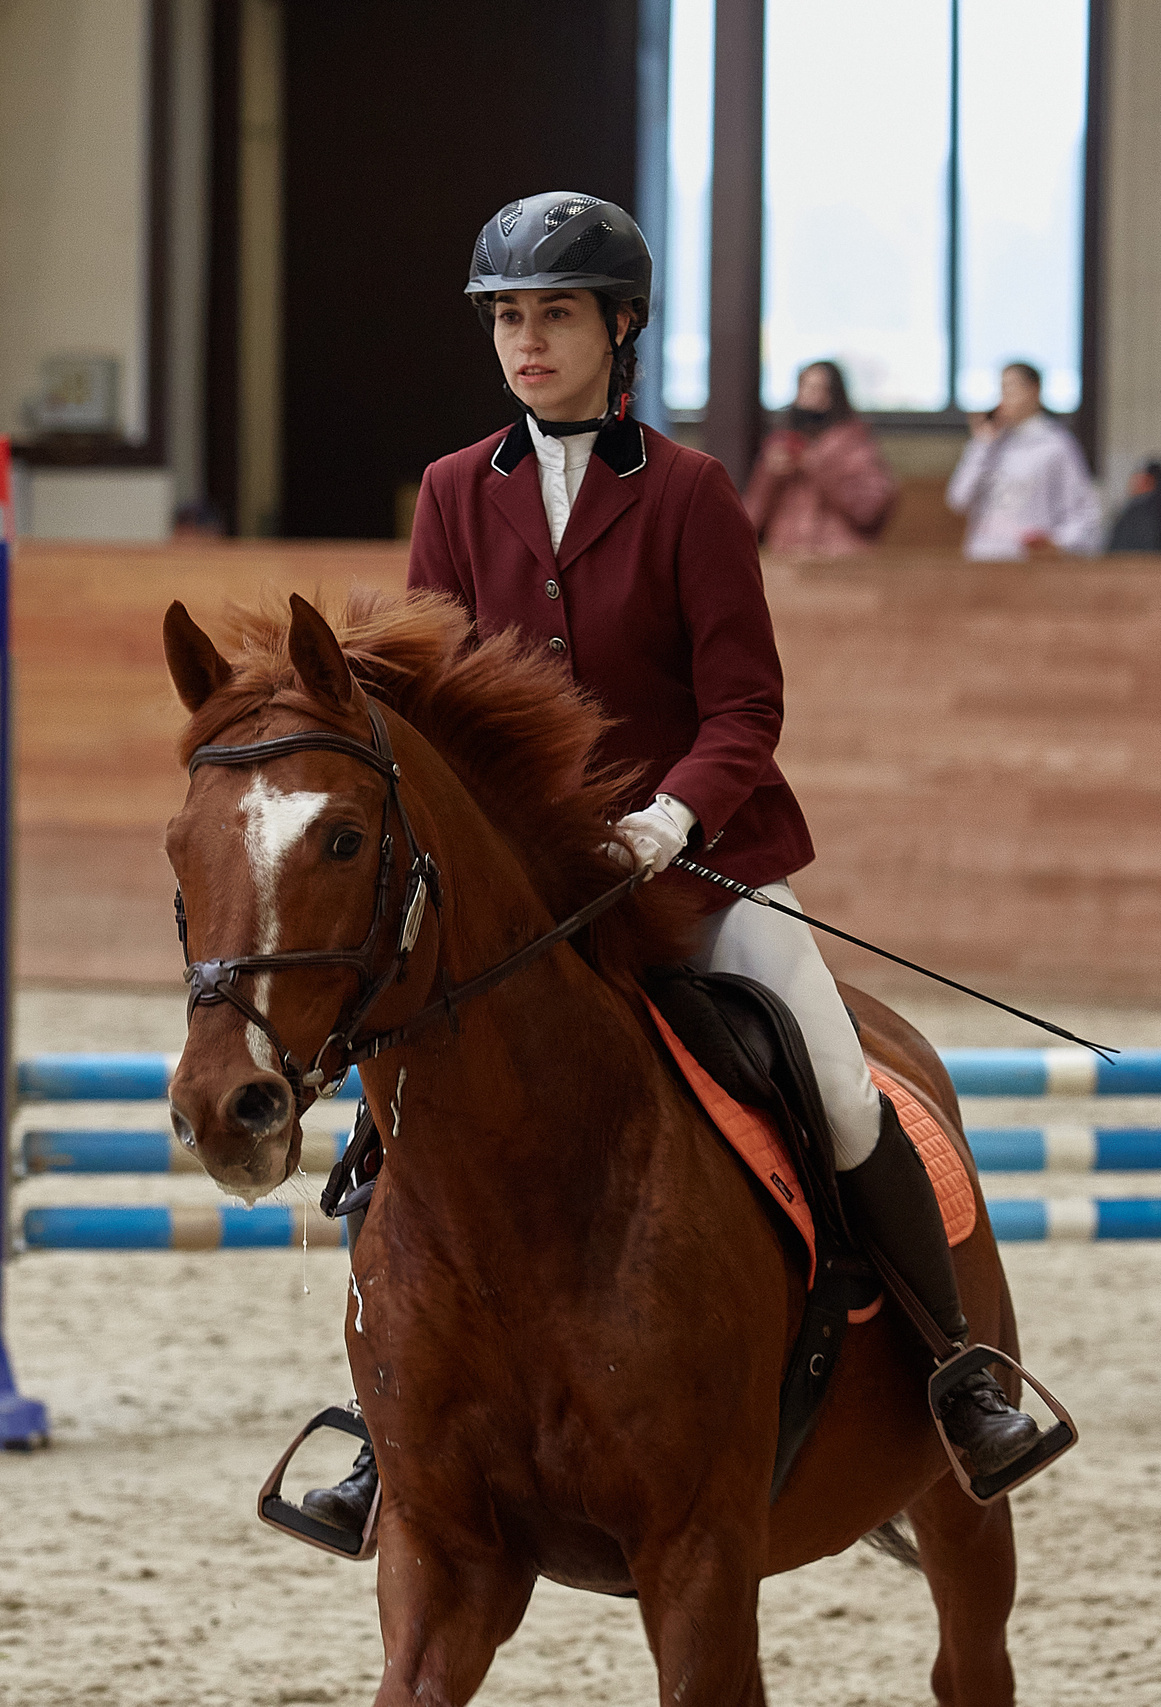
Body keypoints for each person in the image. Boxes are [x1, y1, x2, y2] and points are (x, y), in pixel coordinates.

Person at [298, 190, 1047, 1537]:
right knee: (386, 1121)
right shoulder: (457, 491)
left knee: (839, 1088)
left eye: (556, 315)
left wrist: (671, 818)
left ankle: (956, 1373)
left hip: (698, 872)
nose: (528, 342)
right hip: (526, 900)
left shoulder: (693, 493)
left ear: (621, 327)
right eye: (508, 319)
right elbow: (428, 698)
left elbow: (746, 707)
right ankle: (382, 1418)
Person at [946, 361, 1101, 559]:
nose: (1004, 399)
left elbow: (1083, 513)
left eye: (1011, 388)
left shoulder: (1056, 446)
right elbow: (958, 500)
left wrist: (1058, 543)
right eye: (1002, 389)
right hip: (984, 556)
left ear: (1034, 390)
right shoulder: (989, 444)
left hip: (1028, 561)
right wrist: (981, 445)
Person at [742, 360, 896, 555]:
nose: (809, 398)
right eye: (804, 388)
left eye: (818, 389)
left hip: (839, 558)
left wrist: (816, 465)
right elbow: (749, 519)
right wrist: (769, 475)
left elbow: (869, 510)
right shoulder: (781, 444)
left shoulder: (856, 447)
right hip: (786, 557)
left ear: (834, 395)